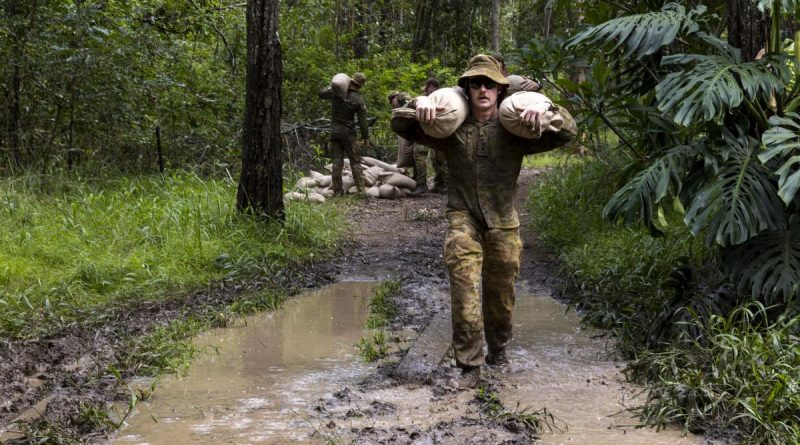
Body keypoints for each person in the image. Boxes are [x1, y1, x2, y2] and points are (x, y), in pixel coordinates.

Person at [391, 55, 576, 386]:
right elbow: (399, 124)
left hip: (504, 224)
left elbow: (567, 134)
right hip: (463, 218)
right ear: (466, 90)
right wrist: (420, 104)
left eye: (489, 83)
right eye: (475, 83)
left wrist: (547, 110)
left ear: (500, 89)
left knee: (500, 298)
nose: (483, 89)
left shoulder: (515, 128)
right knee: (464, 288)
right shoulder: (449, 128)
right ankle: (469, 365)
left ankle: (499, 353)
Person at [319, 72, 370, 195]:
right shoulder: (358, 99)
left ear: (351, 81)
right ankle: (361, 191)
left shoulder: (335, 93)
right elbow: (363, 121)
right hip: (349, 134)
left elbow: (321, 94)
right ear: (360, 86)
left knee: (337, 163)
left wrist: (331, 86)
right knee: (356, 162)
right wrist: (366, 137)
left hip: (334, 133)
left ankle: (338, 191)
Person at [409, 78, 448, 196]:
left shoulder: (442, 98)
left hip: (438, 132)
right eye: (429, 86)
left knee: (438, 158)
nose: (431, 89)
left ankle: (442, 183)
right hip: (422, 132)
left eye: (434, 86)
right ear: (426, 87)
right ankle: (422, 184)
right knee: (419, 154)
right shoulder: (421, 99)